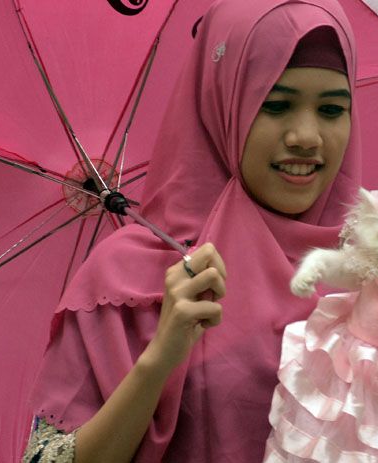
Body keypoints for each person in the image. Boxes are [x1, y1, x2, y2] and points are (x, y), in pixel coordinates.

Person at [24, 0, 361, 461]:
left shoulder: (374, 270)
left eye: (332, 109)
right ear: (220, 106)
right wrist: (160, 359)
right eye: (275, 104)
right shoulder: (129, 276)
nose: (306, 136)